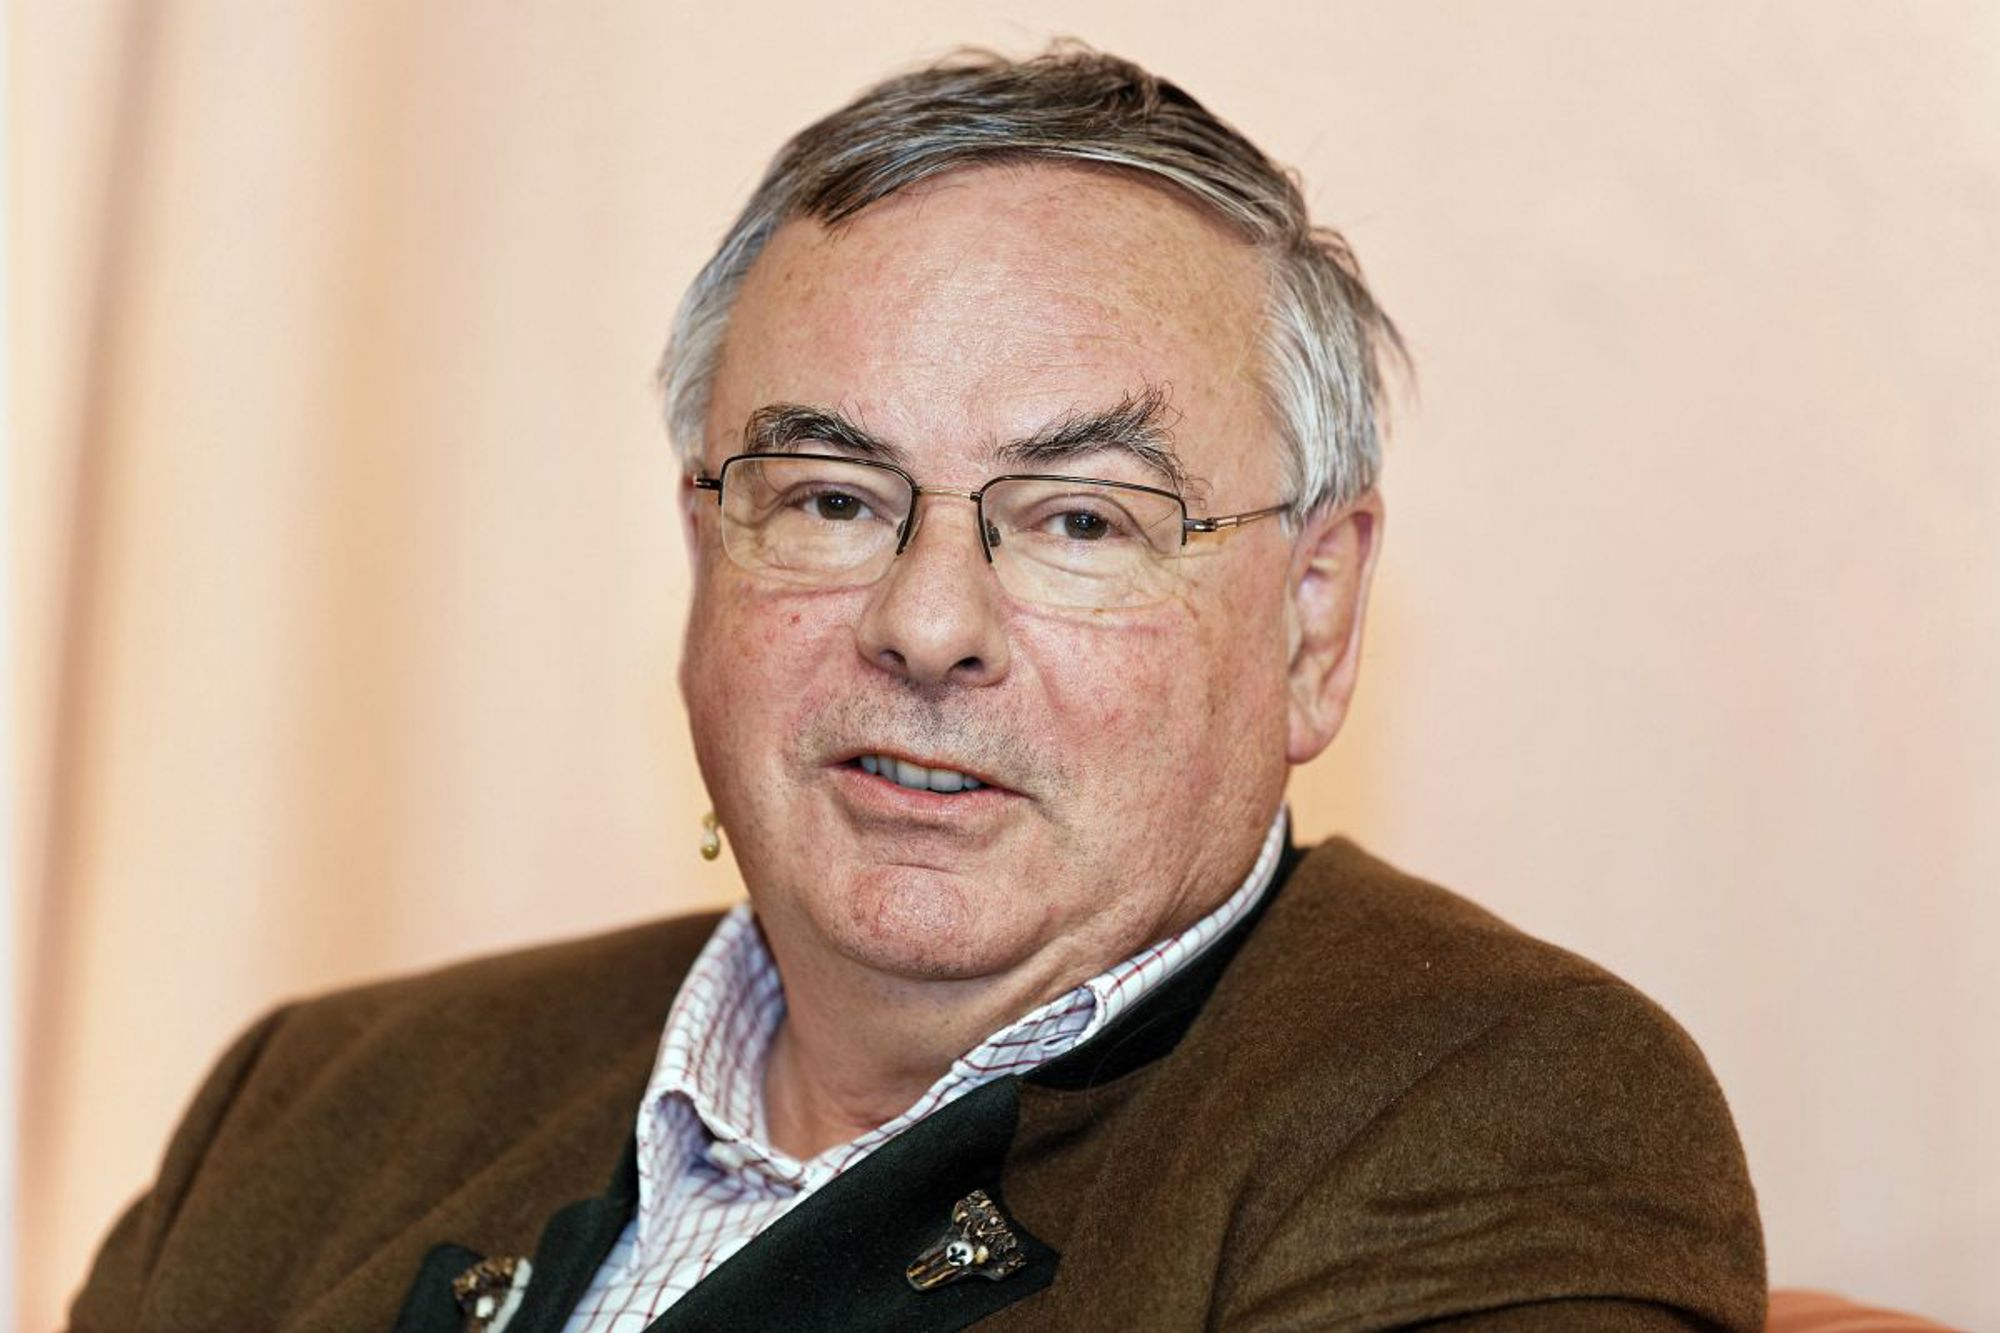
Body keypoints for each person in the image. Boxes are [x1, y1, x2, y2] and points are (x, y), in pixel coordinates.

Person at [70, 47, 1765, 1332]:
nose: (929, 622)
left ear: (1313, 623)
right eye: (828, 497)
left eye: (1082, 519)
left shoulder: (1487, 1108)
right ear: (705, 556)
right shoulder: (313, 1103)